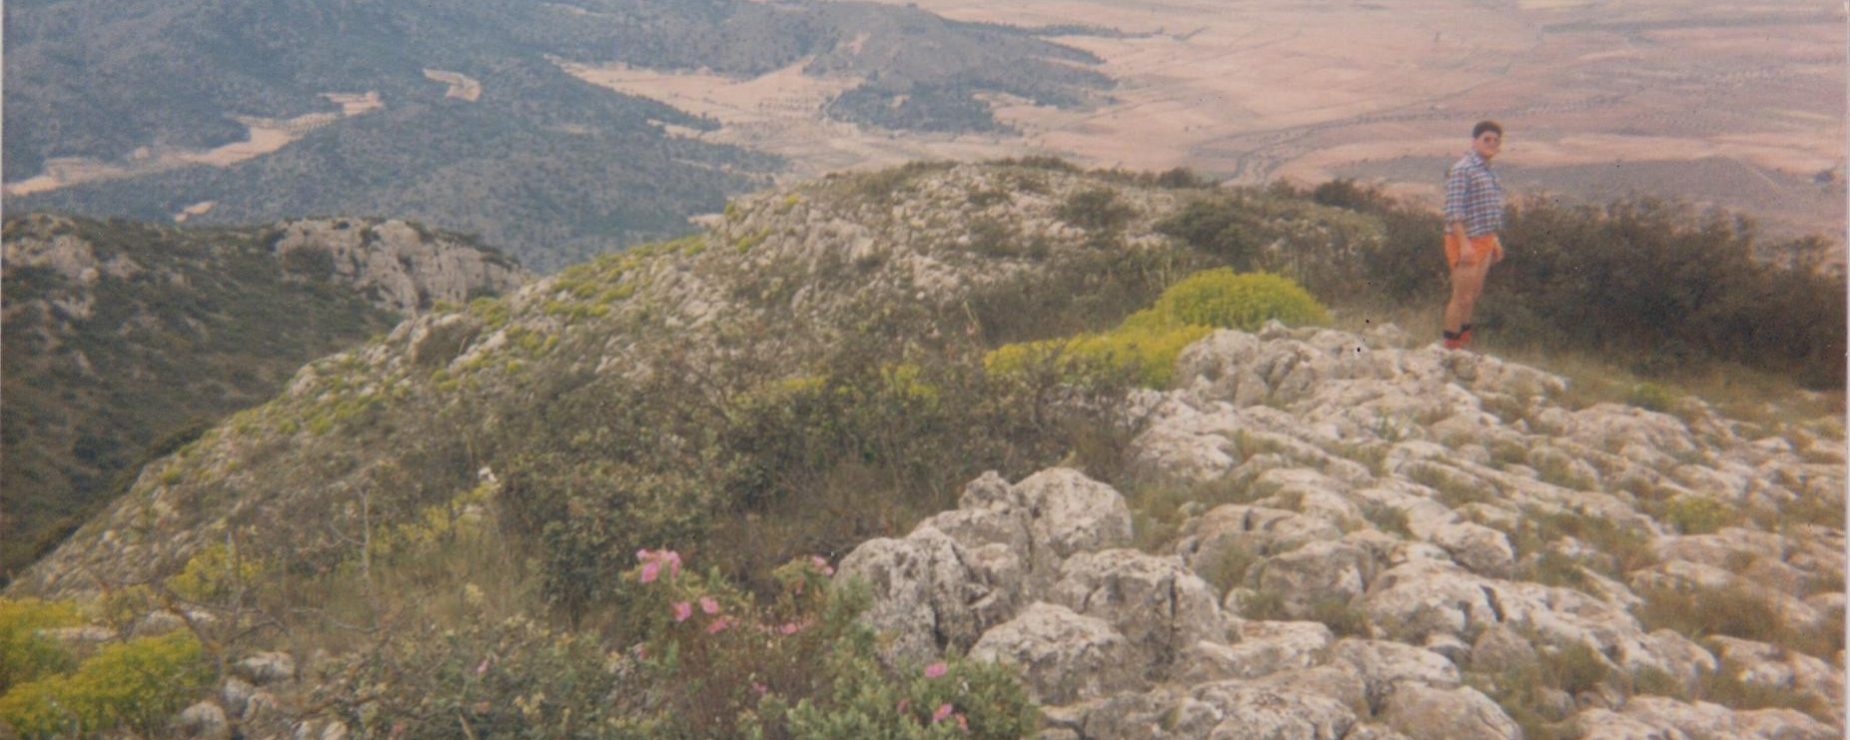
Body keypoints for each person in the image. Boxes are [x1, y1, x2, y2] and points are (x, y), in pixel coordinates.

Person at [1441, 120, 1505, 350]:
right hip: (1465, 241)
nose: (1492, 144)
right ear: (1474, 141)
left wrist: (1494, 239)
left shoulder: (1488, 170)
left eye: (1496, 141)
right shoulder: (1463, 169)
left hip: (1485, 239)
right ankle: (1449, 346)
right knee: (1461, 297)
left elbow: (1487, 208)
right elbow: (1453, 211)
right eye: (1487, 139)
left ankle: (1463, 342)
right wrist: (1464, 244)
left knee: (1473, 295)